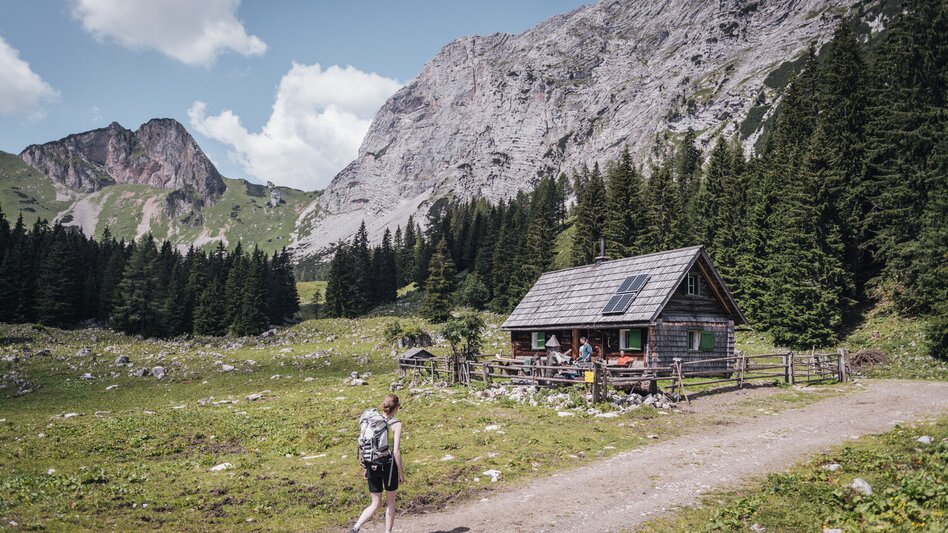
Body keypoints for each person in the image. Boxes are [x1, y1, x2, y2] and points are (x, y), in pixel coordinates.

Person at [352, 395, 405, 533]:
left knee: (375, 503)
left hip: (371, 464)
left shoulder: (372, 421)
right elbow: (396, 451)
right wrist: (400, 472)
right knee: (391, 503)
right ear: (397, 407)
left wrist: (366, 467)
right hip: (388, 466)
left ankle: (356, 527)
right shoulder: (396, 424)